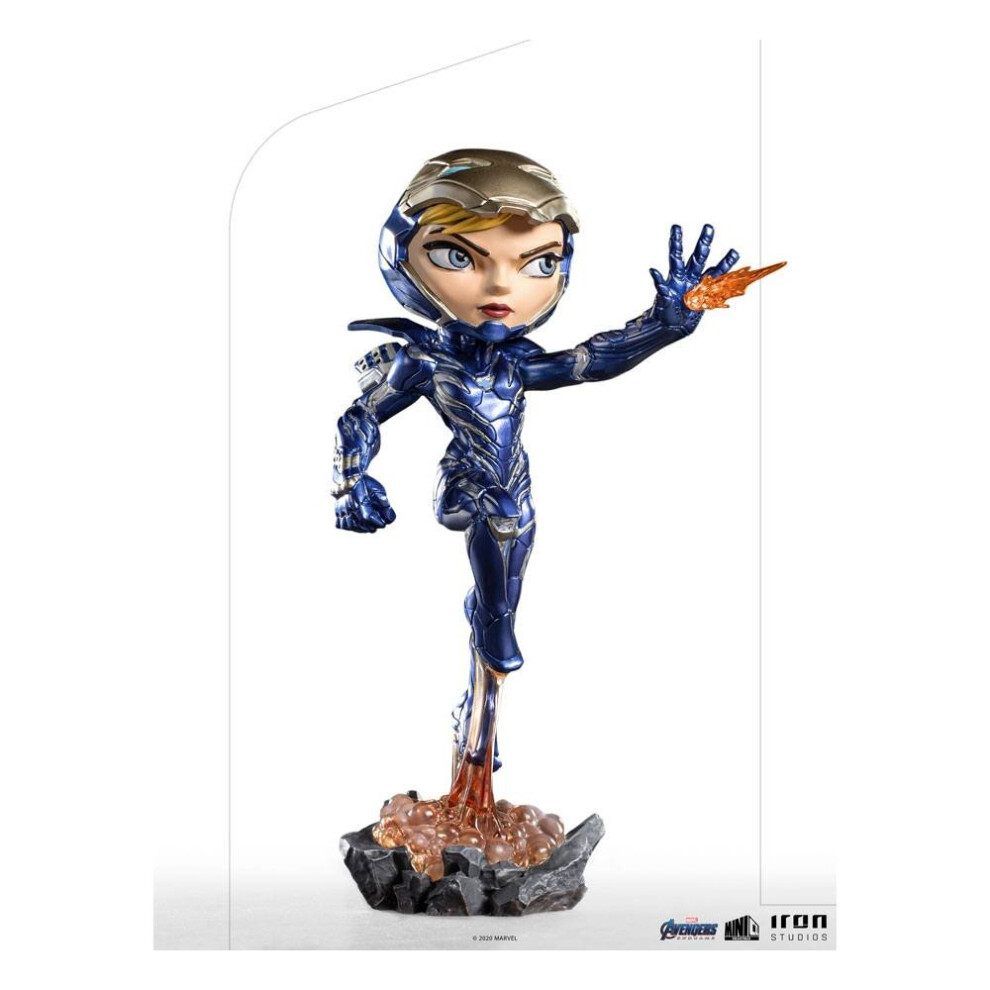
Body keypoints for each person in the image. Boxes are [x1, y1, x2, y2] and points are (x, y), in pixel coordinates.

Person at [333, 149, 748, 812]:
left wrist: (662, 326)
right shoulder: (425, 360)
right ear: (404, 256)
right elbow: (361, 414)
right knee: (496, 533)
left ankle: (477, 726)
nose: (501, 284)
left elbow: (588, 362)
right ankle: (493, 643)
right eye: (458, 256)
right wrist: (351, 480)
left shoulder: (515, 363)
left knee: (502, 579)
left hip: (516, 494)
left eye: (537, 263)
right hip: (466, 485)